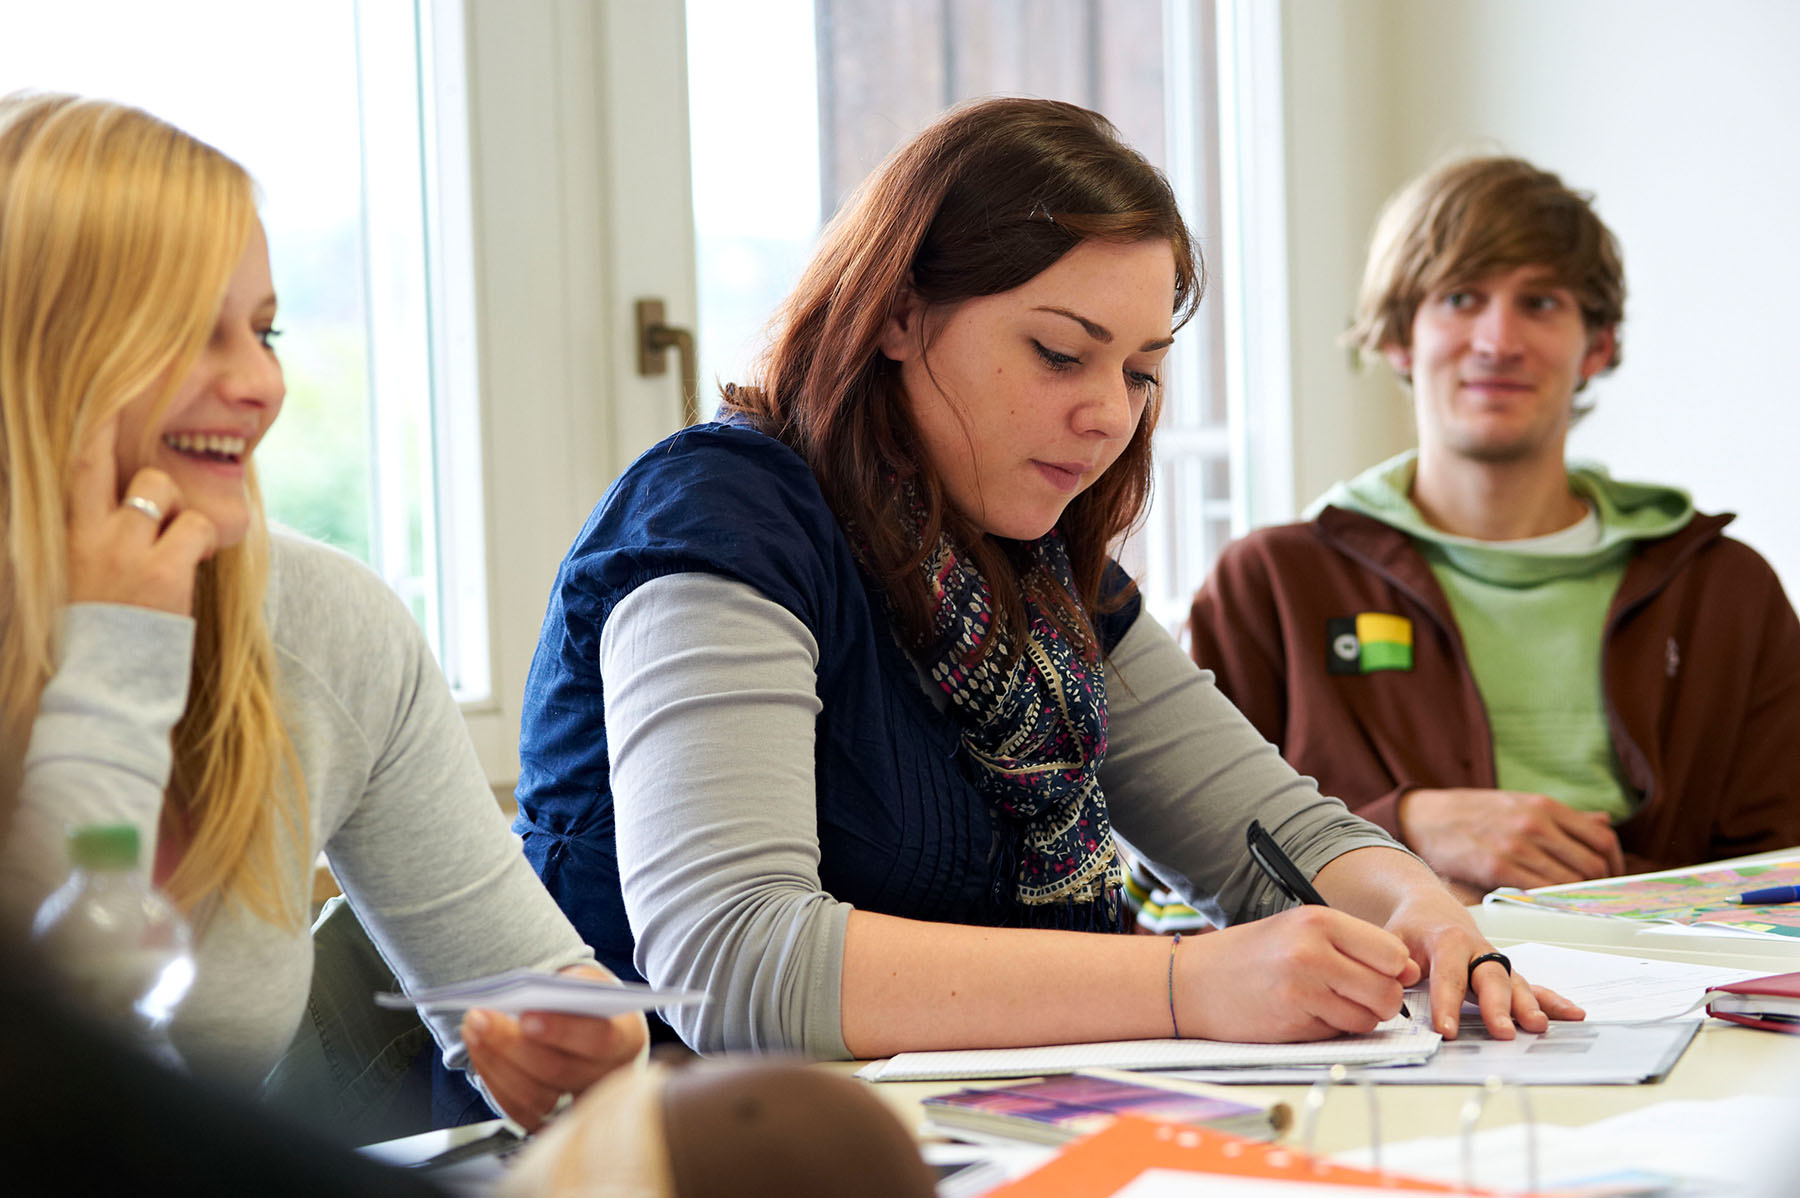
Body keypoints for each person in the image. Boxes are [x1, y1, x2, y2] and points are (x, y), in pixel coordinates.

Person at [512, 98, 1578, 1060]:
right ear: (894, 312)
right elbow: (734, 960)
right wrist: (1185, 982)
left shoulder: (1039, 567)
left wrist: (1426, 917)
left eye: (1141, 372)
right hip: (665, 1151)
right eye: (1062, 354)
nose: (1112, 415)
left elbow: (1279, 839)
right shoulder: (720, 521)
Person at [0, 91, 644, 1130]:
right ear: (36, 361)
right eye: (186, 334)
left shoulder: (320, 624)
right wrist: (116, 655)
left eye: (264, 330)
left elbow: (520, 981)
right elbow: (66, 1081)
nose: (259, 382)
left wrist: (579, 1041)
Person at [1186, 154, 1800, 903]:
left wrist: (1590, 903)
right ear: (1399, 337)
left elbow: (1780, 878)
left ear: (1596, 347)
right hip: (1375, 1006)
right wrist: (1406, 828)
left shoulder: (1724, 590)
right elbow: (1182, 879)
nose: (1497, 340)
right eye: (1461, 297)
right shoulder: (1272, 585)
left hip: (1675, 996)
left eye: (1540, 303)